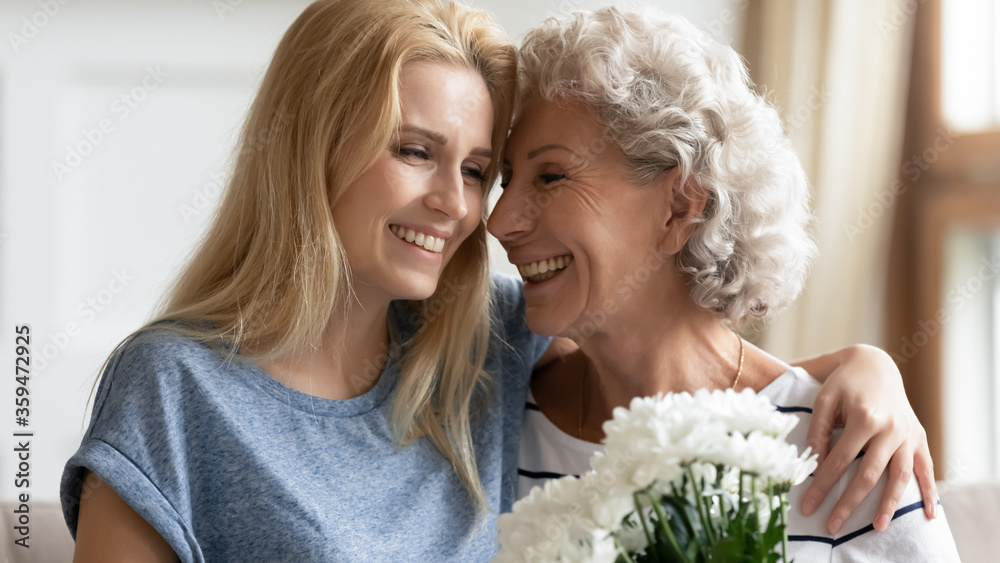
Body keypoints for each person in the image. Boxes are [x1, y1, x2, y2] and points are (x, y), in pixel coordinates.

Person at [60, 0, 937, 561]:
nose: (473, 209)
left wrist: (864, 368)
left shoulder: (477, 347)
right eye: (415, 152)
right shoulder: (173, 388)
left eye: (483, 169)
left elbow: (673, 356)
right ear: (309, 147)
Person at [489, 7, 960, 561]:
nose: (500, 222)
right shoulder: (492, 423)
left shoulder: (852, 450)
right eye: (505, 178)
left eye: (550, 177)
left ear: (680, 207)